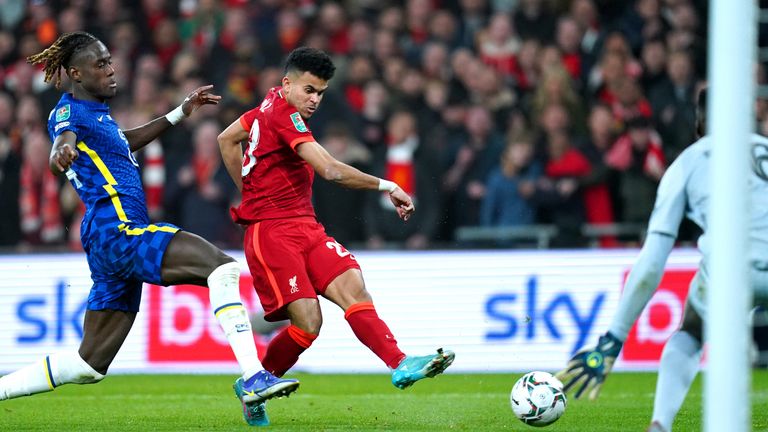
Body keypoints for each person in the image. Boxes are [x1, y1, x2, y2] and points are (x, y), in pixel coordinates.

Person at [0, 32, 299, 425]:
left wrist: (178, 113)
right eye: (100, 64)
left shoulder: (97, 117)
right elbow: (62, 144)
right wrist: (60, 154)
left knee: (88, 364)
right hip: (117, 229)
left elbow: (123, 143)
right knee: (221, 268)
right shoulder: (70, 114)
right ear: (75, 72)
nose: (111, 70)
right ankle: (253, 377)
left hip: (108, 239)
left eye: (109, 61)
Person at [217, 46, 455, 426]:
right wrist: (387, 185)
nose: (315, 100)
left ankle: (400, 362)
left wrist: (246, 187)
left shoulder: (268, 106)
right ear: (287, 84)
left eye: (321, 92)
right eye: (309, 90)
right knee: (308, 324)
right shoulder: (282, 114)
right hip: (273, 232)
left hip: (306, 226)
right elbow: (330, 170)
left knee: (353, 288)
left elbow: (227, 139)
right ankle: (253, 385)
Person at [555, 88, 768, 432]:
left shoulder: (688, 162)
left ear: (699, 124)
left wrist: (613, 339)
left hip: (735, 270)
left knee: (693, 329)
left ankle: (660, 424)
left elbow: (652, 264)